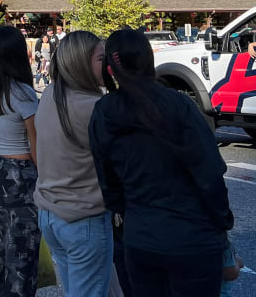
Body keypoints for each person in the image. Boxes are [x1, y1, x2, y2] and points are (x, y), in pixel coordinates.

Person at [90, 28, 233, 297]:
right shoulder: (178, 104)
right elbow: (209, 171)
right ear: (149, 60)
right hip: (192, 236)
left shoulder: (105, 112)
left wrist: (129, 213)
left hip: (141, 236)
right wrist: (223, 221)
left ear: (111, 69)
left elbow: (107, 180)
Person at [34, 31, 118, 297]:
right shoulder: (93, 106)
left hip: (50, 214)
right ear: (81, 63)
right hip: (83, 218)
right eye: (100, 59)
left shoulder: (51, 94)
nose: (106, 66)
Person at [0, 26, 40, 297]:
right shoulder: (24, 93)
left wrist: (1, 156)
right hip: (20, 177)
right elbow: (37, 144)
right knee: (22, 259)